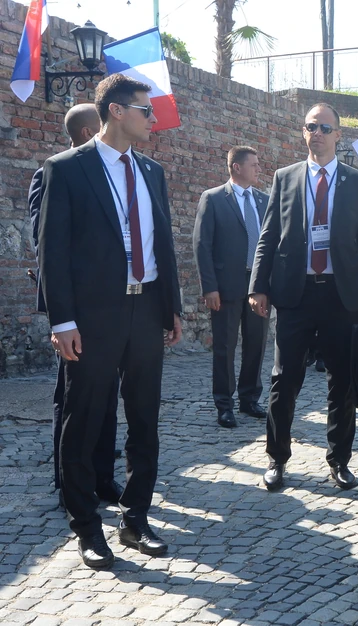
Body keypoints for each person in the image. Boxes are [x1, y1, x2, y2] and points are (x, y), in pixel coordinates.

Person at [39, 73, 183, 568]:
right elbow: (52, 251)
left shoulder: (153, 172)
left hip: (146, 308)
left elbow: (162, 243)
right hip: (94, 317)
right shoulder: (68, 169)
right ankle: (86, 527)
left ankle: (135, 517)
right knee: (84, 420)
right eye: (147, 109)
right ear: (118, 111)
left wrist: (171, 307)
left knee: (145, 418)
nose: (154, 119)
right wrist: (62, 322)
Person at [249, 103, 358, 492]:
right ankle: (277, 458)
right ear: (303, 133)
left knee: (344, 382)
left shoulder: (357, 182)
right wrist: (258, 284)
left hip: (342, 295)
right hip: (295, 294)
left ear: (338, 134)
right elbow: (269, 234)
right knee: (284, 379)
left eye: (325, 127)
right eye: (310, 126)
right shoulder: (285, 178)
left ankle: (339, 460)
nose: (317, 132)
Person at [29, 104, 122, 508]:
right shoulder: (53, 172)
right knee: (73, 401)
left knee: (106, 397)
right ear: (88, 133)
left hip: (109, 311)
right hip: (75, 310)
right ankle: (69, 482)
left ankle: (102, 475)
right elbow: (47, 241)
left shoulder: (116, 175)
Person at [193, 146, 270, 429]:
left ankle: (250, 398)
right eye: (254, 164)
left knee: (257, 345)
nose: (258, 169)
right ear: (236, 167)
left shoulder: (264, 200)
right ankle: (224, 404)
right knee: (225, 347)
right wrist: (209, 287)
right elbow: (202, 245)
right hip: (225, 289)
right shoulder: (213, 199)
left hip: (258, 287)